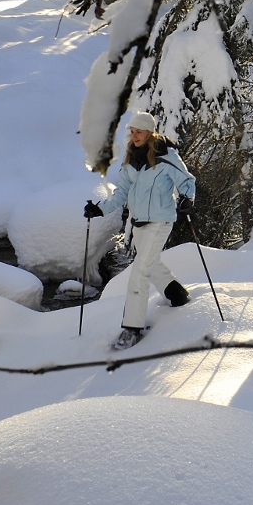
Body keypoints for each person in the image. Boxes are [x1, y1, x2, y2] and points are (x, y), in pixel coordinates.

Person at [84, 112, 197, 350]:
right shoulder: (131, 160)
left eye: (140, 131)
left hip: (160, 222)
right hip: (139, 224)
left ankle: (132, 328)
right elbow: (121, 193)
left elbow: (187, 181)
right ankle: (176, 294)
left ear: (150, 132)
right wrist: (100, 210)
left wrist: (188, 199)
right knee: (150, 263)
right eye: (132, 132)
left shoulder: (167, 156)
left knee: (139, 272)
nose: (135, 136)